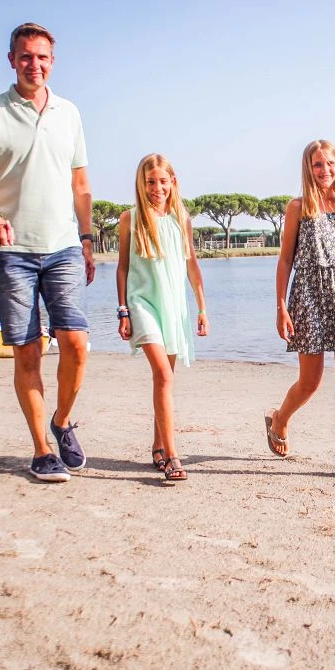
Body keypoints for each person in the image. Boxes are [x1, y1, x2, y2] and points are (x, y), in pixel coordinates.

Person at [0, 22, 93, 483]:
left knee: (76, 343)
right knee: (29, 351)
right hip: (11, 252)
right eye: (25, 56)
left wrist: (88, 237)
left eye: (41, 56)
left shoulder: (70, 113)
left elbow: (80, 186)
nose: (33, 64)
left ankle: (60, 422)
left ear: (51, 61)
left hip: (63, 247)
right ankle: (41, 449)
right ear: (12, 60)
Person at [265, 140, 335, 482]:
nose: (325, 170)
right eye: (317, 165)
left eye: (330, 163)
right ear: (307, 168)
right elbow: (285, 259)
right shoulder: (297, 207)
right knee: (311, 381)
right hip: (309, 294)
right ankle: (280, 418)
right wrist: (281, 307)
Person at [115, 154, 208, 481]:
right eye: (150, 182)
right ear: (142, 184)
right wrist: (123, 310)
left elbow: (192, 265)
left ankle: (157, 445)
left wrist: (202, 307)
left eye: (162, 181)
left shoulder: (181, 218)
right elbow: (123, 268)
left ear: (173, 183)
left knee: (164, 379)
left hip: (173, 306)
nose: (157, 188)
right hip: (142, 305)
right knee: (163, 377)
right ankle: (171, 455)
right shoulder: (131, 218)